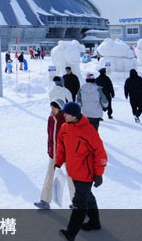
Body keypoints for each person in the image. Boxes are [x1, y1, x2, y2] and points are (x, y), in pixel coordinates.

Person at [55, 102, 107, 241]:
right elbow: (61, 146)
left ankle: (70, 234)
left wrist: (99, 173)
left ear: (74, 115)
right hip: (73, 170)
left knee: (79, 203)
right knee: (87, 196)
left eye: (66, 113)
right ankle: (95, 223)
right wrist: (58, 162)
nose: (63, 115)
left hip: (86, 173)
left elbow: (101, 153)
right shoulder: (65, 127)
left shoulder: (89, 131)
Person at [34, 98, 71, 210]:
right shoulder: (51, 119)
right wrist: (50, 149)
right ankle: (45, 200)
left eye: (54, 108)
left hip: (65, 154)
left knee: (71, 177)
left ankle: (77, 202)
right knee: (49, 175)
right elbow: (49, 135)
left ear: (60, 108)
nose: (52, 110)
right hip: (53, 153)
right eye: (51, 107)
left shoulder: (65, 119)